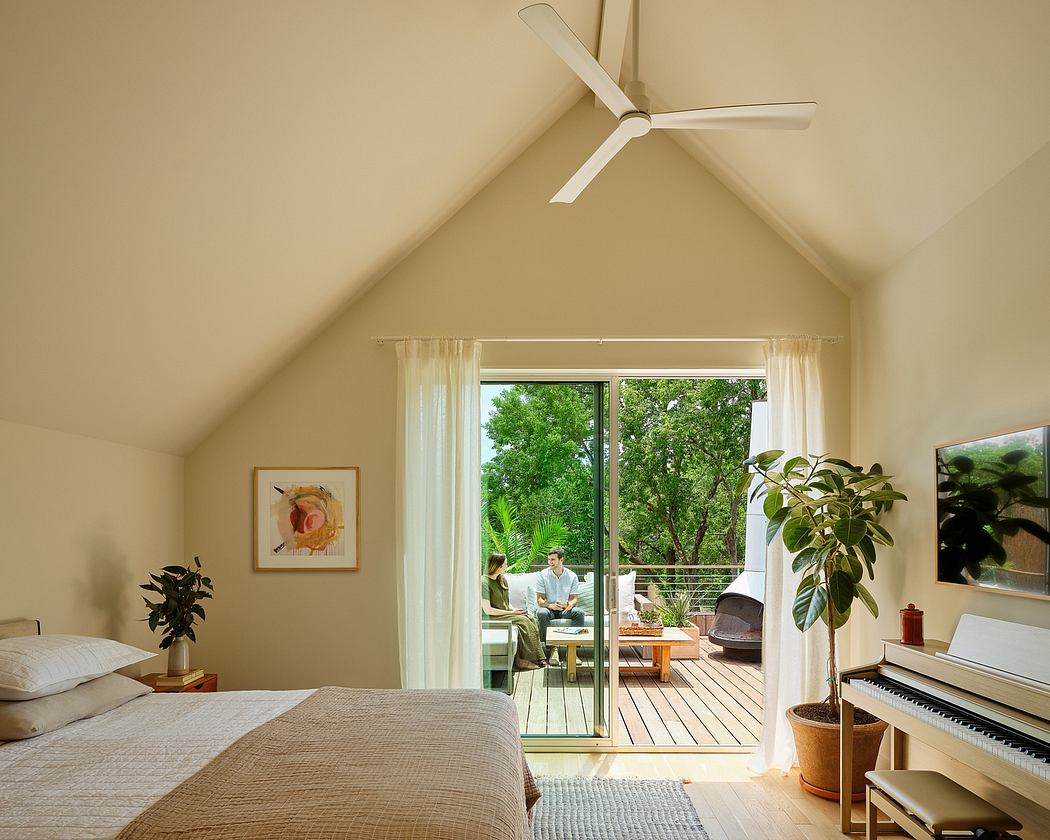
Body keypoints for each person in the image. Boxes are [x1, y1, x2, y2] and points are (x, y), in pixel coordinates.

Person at [481, 553, 546, 671]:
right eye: (505, 564)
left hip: (504, 613)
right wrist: (512, 614)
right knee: (522, 622)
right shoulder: (484, 583)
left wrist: (514, 610)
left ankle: (535, 657)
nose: (507, 566)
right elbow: (488, 610)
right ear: (498, 566)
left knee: (530, 618)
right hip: (491, 617)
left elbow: (506, 602)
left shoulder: (501, 579)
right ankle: (523, 661)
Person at [535, 547, 585, 666]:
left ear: (561, 560)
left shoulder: (572, 576)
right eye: (548, 559)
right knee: (541, 613)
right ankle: (553, 649)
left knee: (579, 612)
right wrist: (550, 605)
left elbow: (574, 598)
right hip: (549, 610)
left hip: (565, 610)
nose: (549, 562)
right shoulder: (542, 575)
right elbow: (540, 600)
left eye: (553, 559)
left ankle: (571, 650)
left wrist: (570, 605)